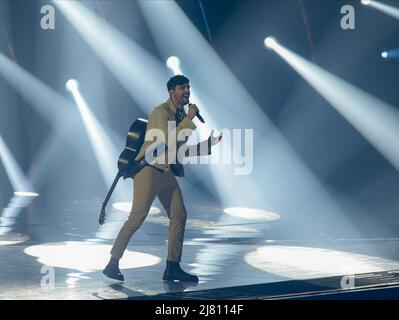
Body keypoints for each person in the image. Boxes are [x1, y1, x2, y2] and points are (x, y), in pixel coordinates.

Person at [103, 75, 222, 282]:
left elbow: (180, 150)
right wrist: (190, 119)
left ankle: (172, 267)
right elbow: (168, 140)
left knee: (179, 215)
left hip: (166, 172)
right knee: (136, 219)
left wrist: (208, 145)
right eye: (182, 88)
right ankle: (112, 263)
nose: (187, 91)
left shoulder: (179, 115)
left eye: (188, 87)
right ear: (171, 92)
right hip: (148, 170)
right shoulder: (160, 112)